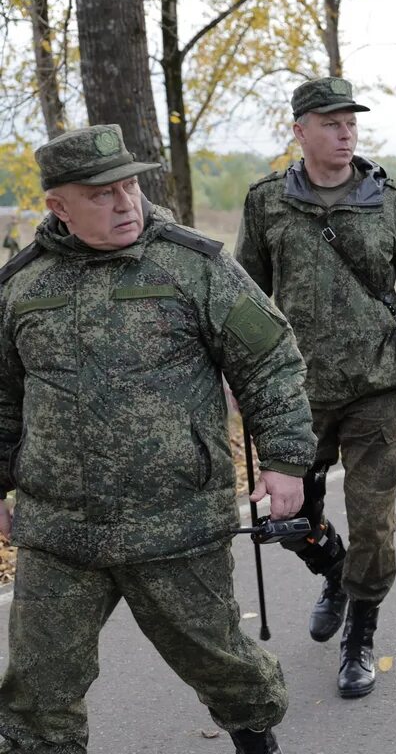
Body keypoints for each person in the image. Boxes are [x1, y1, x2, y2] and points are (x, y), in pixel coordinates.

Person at [0, 124, 316, 754]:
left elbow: (269, 359)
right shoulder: (21, 287)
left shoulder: (192, 265)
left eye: (130, 186)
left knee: (222, 665)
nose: (126, 204)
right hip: (57, 530)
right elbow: (5, 399)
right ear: (58, 206)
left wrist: (285, 459)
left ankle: (256, 739)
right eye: (102, 194)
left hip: (173, 522)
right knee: (36, 695)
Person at [235, 77, 396, 699]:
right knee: (291, 514)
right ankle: (333, 570)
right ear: (300, 130)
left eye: (350, 121)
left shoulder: (392, 205)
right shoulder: (266, 203)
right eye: (329, 122)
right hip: (292, 396)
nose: (345, 131)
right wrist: (236, 369)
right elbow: (245, 295)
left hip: (375, 389)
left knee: (374, 521)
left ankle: (361, 629)